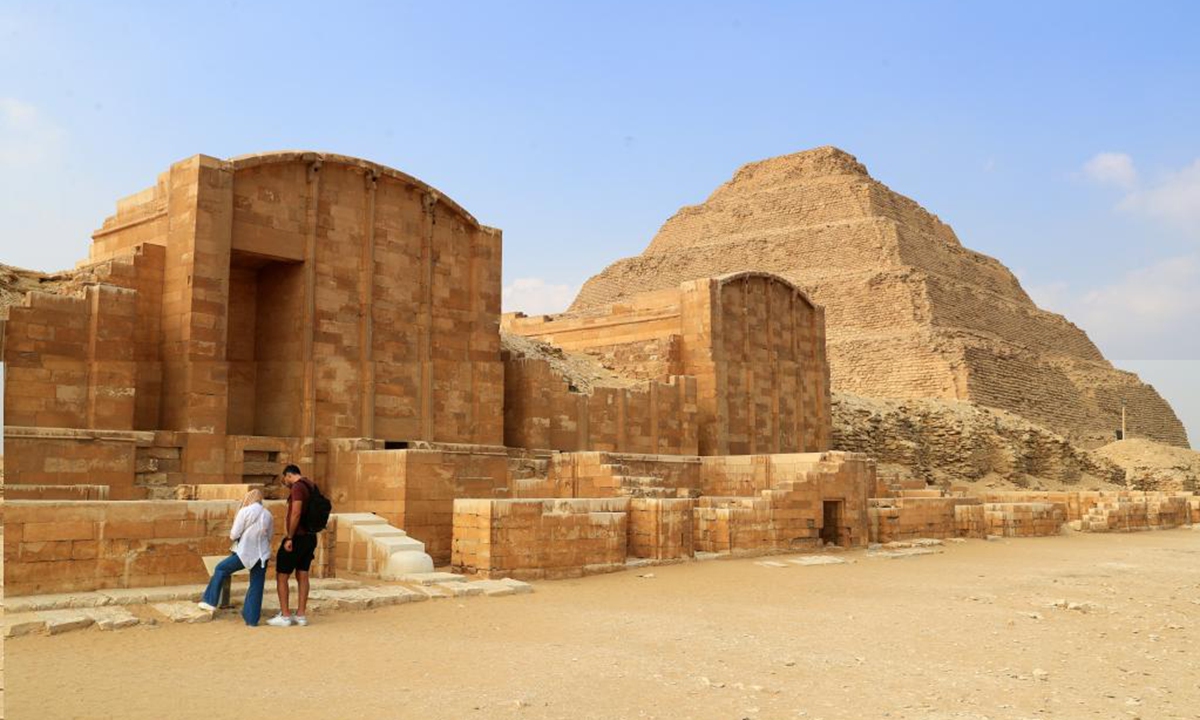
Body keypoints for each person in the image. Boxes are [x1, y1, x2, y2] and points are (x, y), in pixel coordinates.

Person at [198, 489, 274, 626]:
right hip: (262, 556)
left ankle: (210, 601)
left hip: (244, 552)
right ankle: (251, 619)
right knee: (256, 585)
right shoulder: (268, 514)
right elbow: (269, 536)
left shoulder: (244, 511)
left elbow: (234, 535)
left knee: (221, 569)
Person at [267, 464, 317, 627]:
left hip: (297, 538)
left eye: (285, 479)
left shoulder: (297, 488)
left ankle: (286, 615)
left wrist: (290, 537)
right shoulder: (311, 485)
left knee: (282, 575)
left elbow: (296, 512)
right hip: (311, 537)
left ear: (289, 475)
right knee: (303, 574)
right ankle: (301, 615)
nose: (285, 483)